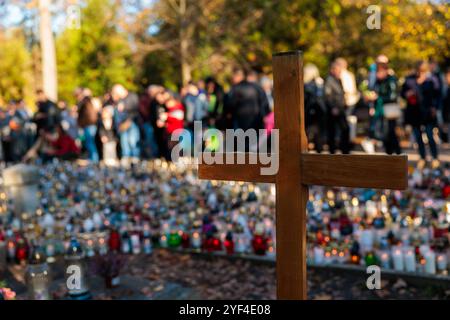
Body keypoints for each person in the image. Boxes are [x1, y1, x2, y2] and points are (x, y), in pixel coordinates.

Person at [402, 61, 440, 169]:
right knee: (418, 137)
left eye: (423, 71)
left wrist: (435, 107)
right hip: (414, 113)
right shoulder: (409, 80)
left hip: (428, 112)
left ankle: (435, 158)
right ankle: (422, 158)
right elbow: (402, 93)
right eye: (419, 71)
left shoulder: (432, 80)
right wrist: (407, 94)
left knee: (430, 135)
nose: (420, 73)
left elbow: (438, 95)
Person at [369, 57, 402, 155]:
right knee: (384, 134)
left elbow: (393, 96)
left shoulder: (391, 80)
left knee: (391, 133)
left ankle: (397, 154)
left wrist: (378, 97)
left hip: (389, 110)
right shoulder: (378, 81)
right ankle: (389, 154)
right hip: (381, 111)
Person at [324, 60, 351, 154]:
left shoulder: (338, 79)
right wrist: (332, 107)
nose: (339, 72)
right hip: (334, 109)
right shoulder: (329, 80)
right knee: (334, 130)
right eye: (338, 70)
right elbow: (327, 95)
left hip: (340, 108)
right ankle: (333, 150)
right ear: (332, 70)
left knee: (344, 129)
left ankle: (345, 150)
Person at [111, 84, 141, 163]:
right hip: (123, 124)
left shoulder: (132, 96)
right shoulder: (119, 100)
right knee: (124, 141)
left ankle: (135, 157)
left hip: (132, 122)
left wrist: (125, 107)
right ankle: (126, 157)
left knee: (133, 141)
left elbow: (136, 108)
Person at [304, 63, 326, 152]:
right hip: (320, 111)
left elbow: (309, 100)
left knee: (310, 132)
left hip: (311, 111)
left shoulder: (309, 85)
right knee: (318, 134)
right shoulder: (320, 82)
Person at [77, 96, 99, 163]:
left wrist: (82, 124)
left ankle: (94, 159)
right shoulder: (90, 107)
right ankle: (92, 158)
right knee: (89, 143)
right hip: (89, 127)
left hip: (88, 127)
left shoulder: (87, 108)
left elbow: (88, 119)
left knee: (90, 144)